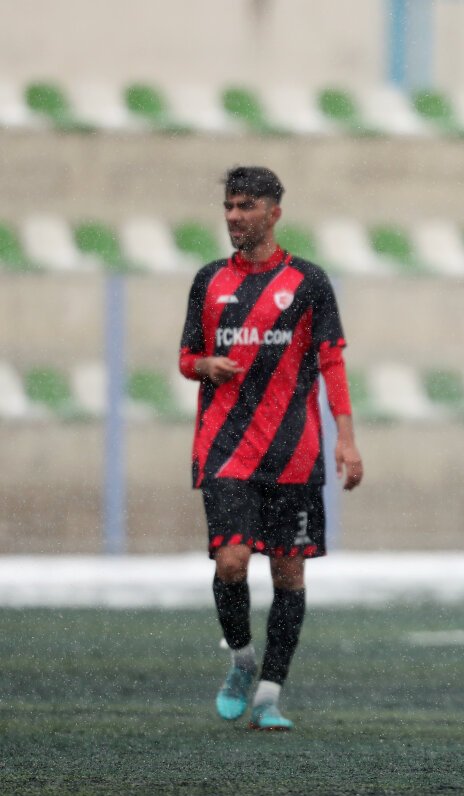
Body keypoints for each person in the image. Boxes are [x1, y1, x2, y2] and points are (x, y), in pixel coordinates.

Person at [178, 166, 364, 731]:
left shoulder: (308, 282)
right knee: (232, 562)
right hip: (225, 448)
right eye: (229, 206)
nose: (234, 216)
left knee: (288, 575)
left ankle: (269, 696)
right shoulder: (209, 280)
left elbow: (331, 361)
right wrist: (205, 365)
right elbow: (186, 358)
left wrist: (346, 438)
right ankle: (241, 660)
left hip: (293, 452)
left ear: (274, 213)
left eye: (246, 206)